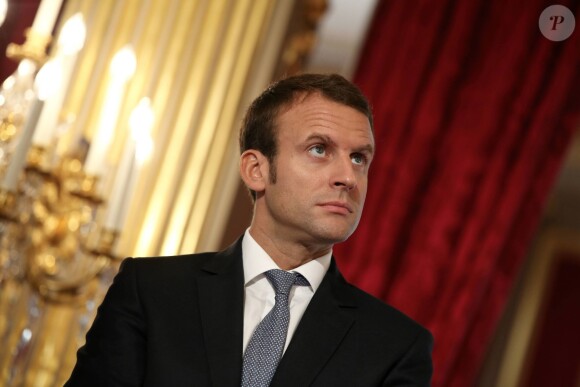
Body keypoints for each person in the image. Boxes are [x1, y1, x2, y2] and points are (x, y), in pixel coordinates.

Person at [65, 73, 433, 386]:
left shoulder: (395, 347)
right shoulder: (152, 291)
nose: (348, 177)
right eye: (320, 149)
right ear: (256, 169)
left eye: (359, 158)